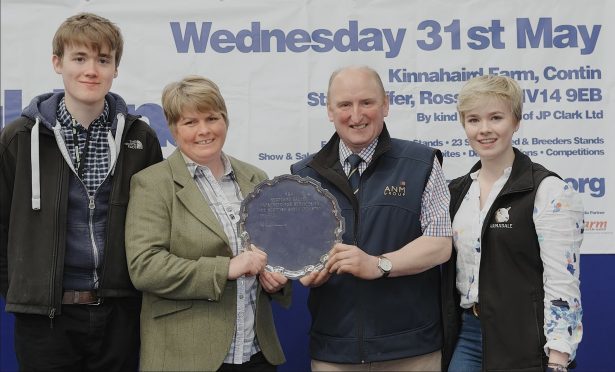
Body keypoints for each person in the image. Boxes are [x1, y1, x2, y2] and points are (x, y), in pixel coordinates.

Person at [0, 13, 163, 371]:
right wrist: (27, 291)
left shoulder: (141, 138)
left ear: (115, 69)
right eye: (80, 58)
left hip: (120, 312)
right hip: (45, 318)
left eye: (103, 60)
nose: (92, 70)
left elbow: (157, 223)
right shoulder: (18, 138)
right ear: (57, 63)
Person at [291, 65, 452, 371]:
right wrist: (308, 272)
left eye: (367, 102)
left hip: (411, 351)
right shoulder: (303, 177)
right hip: (335, 351)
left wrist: (379, 265)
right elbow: (303, 255)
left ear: (385, 105)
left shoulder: (421, 164)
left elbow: (440, 243)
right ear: (329, 110)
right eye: (344, 105)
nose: (356, 115)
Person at [125, 75, 291, 371]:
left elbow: (274, 251)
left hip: (256, 354)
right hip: (185, 358)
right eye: (190, 122)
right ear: (173, 129)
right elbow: (145, 267)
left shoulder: (256, 178)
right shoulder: (152, 184)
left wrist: (276, 278)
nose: (204, 131)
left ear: (224, 120)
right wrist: (226, 268)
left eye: (212, 118)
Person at [441, 75, 583, 372]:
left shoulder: (548, 190)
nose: (484, 130)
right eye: (473, 120)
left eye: (496, 118)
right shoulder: (456, 192)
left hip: (524, 338)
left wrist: (557, 359)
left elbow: (562, 283)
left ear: (516, 121)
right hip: (468, 334)